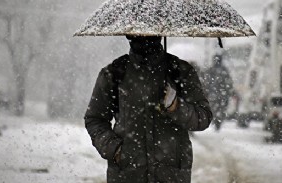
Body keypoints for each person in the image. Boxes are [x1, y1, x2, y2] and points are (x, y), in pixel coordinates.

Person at [84, 36, 213, 183]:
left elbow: (203, 117)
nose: (144, 36)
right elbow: (95, 119)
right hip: (127, 175)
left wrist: (176, 106)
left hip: (172, 175)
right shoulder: (114, 73)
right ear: (128, 33)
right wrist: (116, 150)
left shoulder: (180, 71)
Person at [203, 54, 234, 131]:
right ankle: (218, 121)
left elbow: (206, 82)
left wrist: (206, 91)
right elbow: (229, 83)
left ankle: (216, 120)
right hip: (222, 95)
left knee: (214, 108)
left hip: (213, 95)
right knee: (221, 109)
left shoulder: (210, 70)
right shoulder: (224, 70)